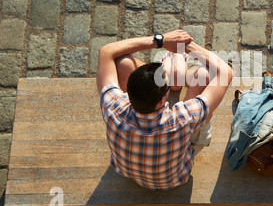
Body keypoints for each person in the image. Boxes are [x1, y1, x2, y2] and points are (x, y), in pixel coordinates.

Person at [96, 30, 233, 190]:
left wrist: (160, 40)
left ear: (127, 91)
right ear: (163, 100)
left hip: (129, 172)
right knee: (204, 75)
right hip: (175, 178)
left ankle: (174, 74)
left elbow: (106, 51)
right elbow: (226, 72)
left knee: (124, 63)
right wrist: (187, 46)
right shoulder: (182, 119)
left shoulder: (112, 105)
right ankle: (177, 75)